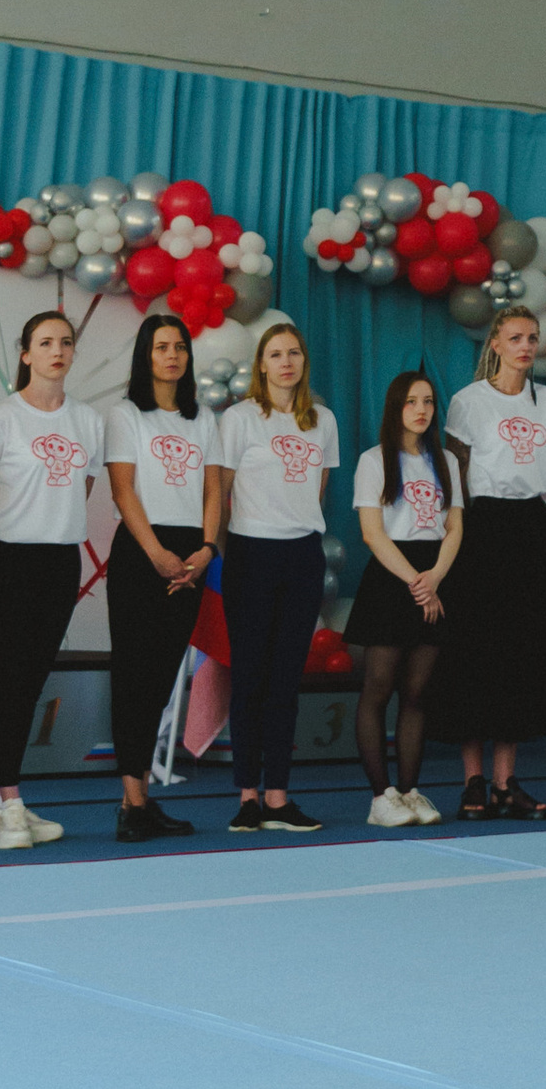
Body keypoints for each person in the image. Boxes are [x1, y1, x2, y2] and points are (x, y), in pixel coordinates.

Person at [0, 310, 101, 851]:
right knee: (12, 679)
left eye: (65, 342)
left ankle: (1, 804)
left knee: (33, 679)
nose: (57, 351)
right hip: (8, 560)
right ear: (26, 354)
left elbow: (81, 489)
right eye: (45, 342)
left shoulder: (88, 420)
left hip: (60, 560)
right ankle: (11, 798)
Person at [208, 320, 337, 839]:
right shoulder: (240, 418)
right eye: (276, 354)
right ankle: (247, 797)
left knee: (286, 679)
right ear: (261, 364)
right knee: (250, 678)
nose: (286, 362)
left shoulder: (322, 421)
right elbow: (220, 493)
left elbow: (318, 490)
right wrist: (225, 553)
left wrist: (293, 529)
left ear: (304, 362)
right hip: (250, 554)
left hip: (302, 555)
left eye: (294, 353)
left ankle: (279, 797)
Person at [442, 312, 546, 821]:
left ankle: (505, 781)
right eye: (515, 338)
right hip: (482, 526)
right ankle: (473, 780)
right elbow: (455, 471)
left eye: (532, 338)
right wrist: (458, 533)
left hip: (530, 527)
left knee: (520, 653)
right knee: (477, 651)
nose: (525, 346)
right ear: (494, 343)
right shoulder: (469, 401)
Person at [101, 312, 211, 843]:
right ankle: (134, 802)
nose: (172, 356)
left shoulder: (203, 418)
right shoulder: (126, 415)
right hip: (142, 552)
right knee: (134, 678)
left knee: (162, 680)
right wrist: (157, 553)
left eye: (180, 347)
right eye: (162, 347)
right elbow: (123, 490)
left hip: (192, 557)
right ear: (145, 355)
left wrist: (207, 549)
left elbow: (214, 489)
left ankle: (139, 801)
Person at [348, 370, 462, 827]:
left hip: (434, 574)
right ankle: (381, 797)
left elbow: (454, 527)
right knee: (378, 688)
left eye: (428, 401)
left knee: (417, 694)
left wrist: (435, 577)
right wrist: (417, 583)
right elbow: (372, 533)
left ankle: (411, 792)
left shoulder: (446, 461)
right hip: (392, 576)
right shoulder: (374, 460)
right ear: (395, 407)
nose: (421, 410)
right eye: (412, 401)